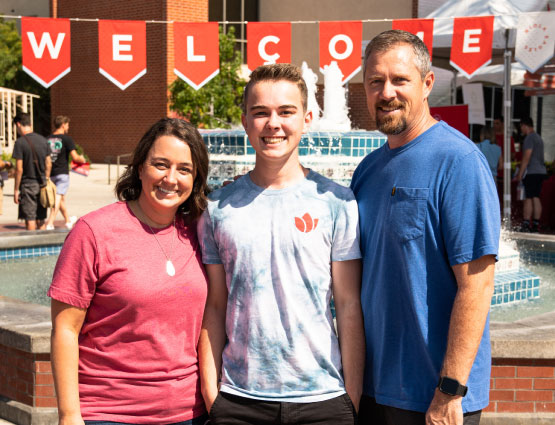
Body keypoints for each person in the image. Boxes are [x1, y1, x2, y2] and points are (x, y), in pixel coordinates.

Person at [198, 63, 364, 425]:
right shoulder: (217, 209)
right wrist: (214, 396)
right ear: (245, 122)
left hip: (323, 398)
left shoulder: (338, 202)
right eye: (261, 112)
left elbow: (348, 304)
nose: (273, 123)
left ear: (306, 119)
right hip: (239, 400)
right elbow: (214, 305)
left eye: (285, 112)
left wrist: (351, 397)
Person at [351, 30, 500, 425]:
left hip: (433, 395)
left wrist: (451, 389)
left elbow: (478, 283)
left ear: (427, 83)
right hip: (373, 386)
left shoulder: (459, 161)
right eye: (375, 82)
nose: (386, 93)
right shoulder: (368, 170)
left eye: (400, 80)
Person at [48, 118, 210, 425]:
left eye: (184, 169)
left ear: (196, 177)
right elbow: (65, 330)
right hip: (109, 413)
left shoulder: (200, 231)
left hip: (189, 414)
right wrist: (69, 416)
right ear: (139, 167)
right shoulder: (94, 232)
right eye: (160, 164)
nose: (171, 178)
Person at [45, 115, 87, 230]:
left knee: (60, 198)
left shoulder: (47, 139)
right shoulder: (67, 139)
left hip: (50, 173)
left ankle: (68, 221)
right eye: (67, 125)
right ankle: (50, 223)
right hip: (62, 173)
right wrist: (82, 159)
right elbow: (75, 157)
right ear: (63, 125)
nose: (68, 127)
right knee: (58, 197)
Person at [12, 112, 52, 230]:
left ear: (18, 124)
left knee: (30, 219)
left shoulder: (20, 143)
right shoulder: (43, 140)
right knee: (41, 218)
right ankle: (43, 246)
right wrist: (47, 178)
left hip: (28, 184)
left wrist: (15, 190)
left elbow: (19, 169)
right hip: (42, 183)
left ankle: (31, 246)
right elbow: (49, 163)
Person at [516, 116, 547, 233]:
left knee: (528, 197)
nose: (521, 130)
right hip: (540, 171)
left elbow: (527, 157)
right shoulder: (539, 138)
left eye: (521, 127)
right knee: (536, 196)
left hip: (532, 171)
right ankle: (535, 224)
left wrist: (520, 173)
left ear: (525, 125)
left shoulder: (529, 138)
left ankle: (525, 223)